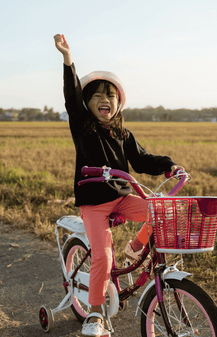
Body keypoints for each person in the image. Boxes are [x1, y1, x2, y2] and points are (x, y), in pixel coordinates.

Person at [54, 34, 183, 337]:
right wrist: (67, 59)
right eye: (97, 96)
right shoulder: (83, 128)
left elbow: (141, 160)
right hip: (94, 203)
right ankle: (95, 314)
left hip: (123, 198)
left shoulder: (122, 133)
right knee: (103, 256)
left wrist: (169, 166)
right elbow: (71, 99)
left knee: (160, 211)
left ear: (118, 103)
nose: (104, 101)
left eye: (110, 96)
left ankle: (135, 245)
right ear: (87, 103)